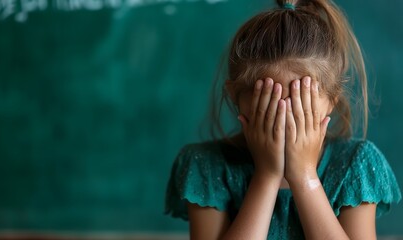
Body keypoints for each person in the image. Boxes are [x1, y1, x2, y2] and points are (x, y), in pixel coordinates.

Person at [164, 0, 402, 239]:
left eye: (302, 106)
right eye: (270, 106)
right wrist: (267, 176)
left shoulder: (357, 165)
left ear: (332, 99)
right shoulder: (205, 165)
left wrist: (304, 176)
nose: (286, 122)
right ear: (235, 96)